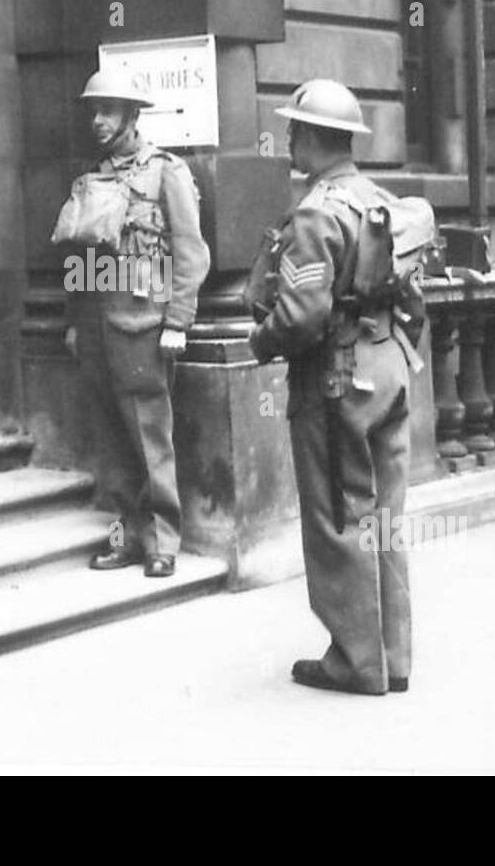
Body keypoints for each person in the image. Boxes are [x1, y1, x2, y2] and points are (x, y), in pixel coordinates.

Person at [248, 79, 428, 695]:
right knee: (384, 517)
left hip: (337, 377)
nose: (290, 139)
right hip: (390, 366)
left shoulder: (316, 212)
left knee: (336, 516)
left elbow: (301, 315)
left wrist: (260, 342)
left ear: (315, 137)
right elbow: (414, 299)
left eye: (295, 129)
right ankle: (393, 657)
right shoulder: (379, 201)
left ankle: (355, 661)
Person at [58, 68, 210, 579]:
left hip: (145, 325)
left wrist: (179, 321)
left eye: (109, 111)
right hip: (100, 326)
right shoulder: (93, 176)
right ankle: (126, 535)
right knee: (111, 438)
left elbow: (190, 251)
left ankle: (162, 540)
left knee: (149, 435)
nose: (98, 121)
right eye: (94, 112)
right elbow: (85, 258)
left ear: (132, 114)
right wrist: (77, 321)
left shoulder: (166, 171)